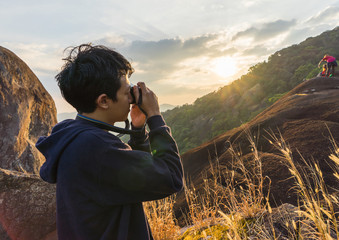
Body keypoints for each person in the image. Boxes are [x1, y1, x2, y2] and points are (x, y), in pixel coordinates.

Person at [35, 44, 184, 240]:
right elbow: (171, 178)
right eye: (126, 92)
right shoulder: (97, 147)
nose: (131, 98)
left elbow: (133, 177)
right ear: (104, 101)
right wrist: (155, 117)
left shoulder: (73, 136)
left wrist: (138, 130)